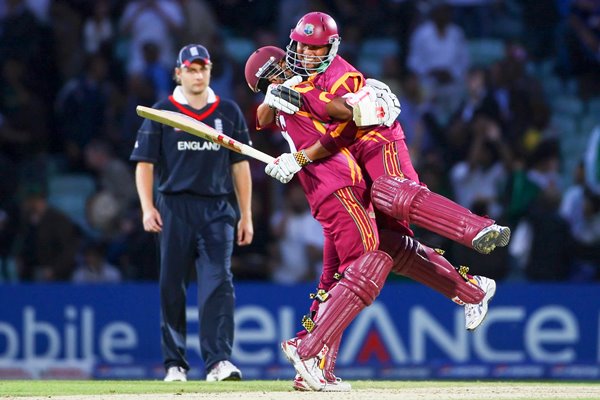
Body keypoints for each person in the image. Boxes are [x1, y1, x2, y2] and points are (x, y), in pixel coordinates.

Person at [245, 45, 496, 392]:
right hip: (334, 188)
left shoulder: (303, 87)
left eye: (278, 70)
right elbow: (272, 116)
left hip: (341, 186)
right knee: (364, 265)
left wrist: (301, 149)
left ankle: (312, 355)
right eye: (270, 75)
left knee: (370, 259)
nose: (283, 72)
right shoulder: (290, 93)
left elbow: (334, 116)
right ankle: (309, 351)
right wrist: (279, 102)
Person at [130, 44, 253, 383]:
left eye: (203, 69)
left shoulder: (227, 111)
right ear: (178, 73)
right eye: (191, 69)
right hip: (174, 208)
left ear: (210, 71)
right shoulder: (162, 111)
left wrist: (247, 215)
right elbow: (145, 164)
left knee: (219, 283)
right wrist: (147, 207)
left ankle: (218, 362)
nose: (198, 75)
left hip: (217, 209)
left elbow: (240, 167)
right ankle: (175, 364)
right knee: (172, 285)